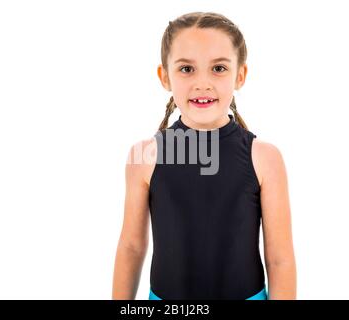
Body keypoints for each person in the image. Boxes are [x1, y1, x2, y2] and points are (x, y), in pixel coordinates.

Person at [112, 11, 296, 300]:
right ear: (165, 76)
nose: (202, 83)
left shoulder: (265, 158)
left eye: (218, 68)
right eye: (186, 69)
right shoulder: (145, 156)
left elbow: (280, 259)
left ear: (240, 75)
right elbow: (132, 247)